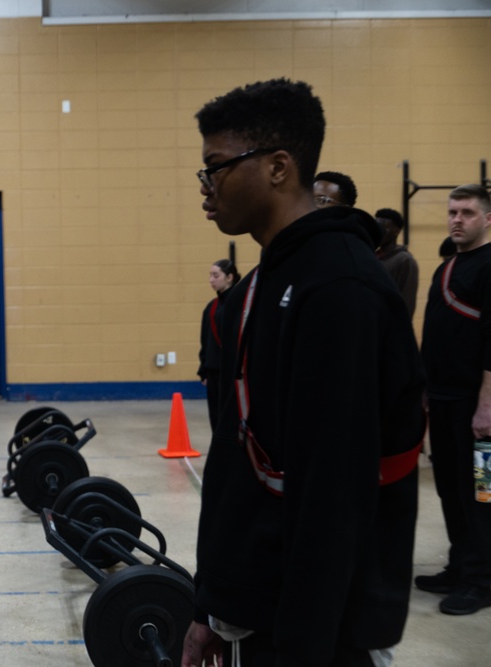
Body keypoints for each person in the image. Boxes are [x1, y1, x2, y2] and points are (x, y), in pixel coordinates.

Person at [182, 79, 426, 667]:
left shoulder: (340, 289)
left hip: (317, 629)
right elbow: (237, 465)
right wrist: (215, 606)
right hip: (258, 604)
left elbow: (332, 496)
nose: (206, 187)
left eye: (216, 167)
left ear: (277, 166)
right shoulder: (263, 283)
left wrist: (303, 646)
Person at [416, 184, 491, 615]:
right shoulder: (447, 268)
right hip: (442, 402)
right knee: (449, 490)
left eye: (466, 212)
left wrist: (486, 405)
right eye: (452, 212)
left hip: (477, 408)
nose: (456, 219)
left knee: (482, 493)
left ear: (486, 219)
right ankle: (460, 565)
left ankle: (481, 580)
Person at [197, 258, 240, 429]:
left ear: (229, 277)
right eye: (210, 275)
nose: (211, 280)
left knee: (231, 418)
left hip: (233, 373)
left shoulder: (239, 304)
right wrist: (204, 371)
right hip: (214, 372)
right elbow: (205, 340)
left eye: (216, 275)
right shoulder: (211, 307)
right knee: (215, 418)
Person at [374, 208, 420, 318]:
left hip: (389, 330)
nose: (379, 231)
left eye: (384, 227)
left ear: (396, 231)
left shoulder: (404, 260)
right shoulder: (372, 256)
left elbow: (407, 303)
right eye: (377, 227)